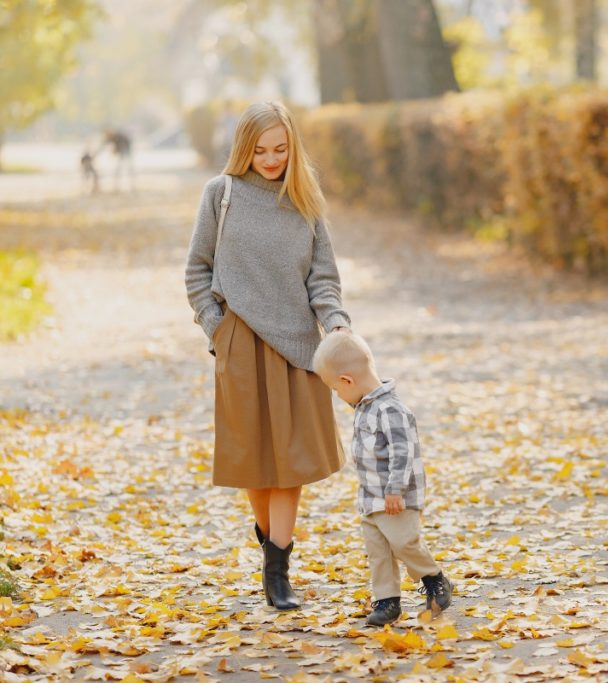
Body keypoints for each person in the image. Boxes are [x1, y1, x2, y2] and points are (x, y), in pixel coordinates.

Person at [185, 101, 351, 611]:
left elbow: (323, 279)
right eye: (260, 150)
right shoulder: (221, 194)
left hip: (298, 348)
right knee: (254, 463)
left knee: (290, 464)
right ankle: (270, 541)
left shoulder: (305, 201)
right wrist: (217, 329)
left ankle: (277, 569)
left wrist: (337, 324)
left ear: (292, 146)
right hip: (240, 343)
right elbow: (197, 270)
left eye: (280, 148)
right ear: (244, 149)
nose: (272, 159)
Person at [312, 331, 453, 626]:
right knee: (379, 553)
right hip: (370, 498)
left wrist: (395, 489)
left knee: (404, 543)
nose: (337, 396)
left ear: (347, 381)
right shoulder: (364, 406)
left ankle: (434, 578)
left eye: (335, 389)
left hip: (394, 496)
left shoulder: (391, 410)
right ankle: (387, 600)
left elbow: (403, 453)